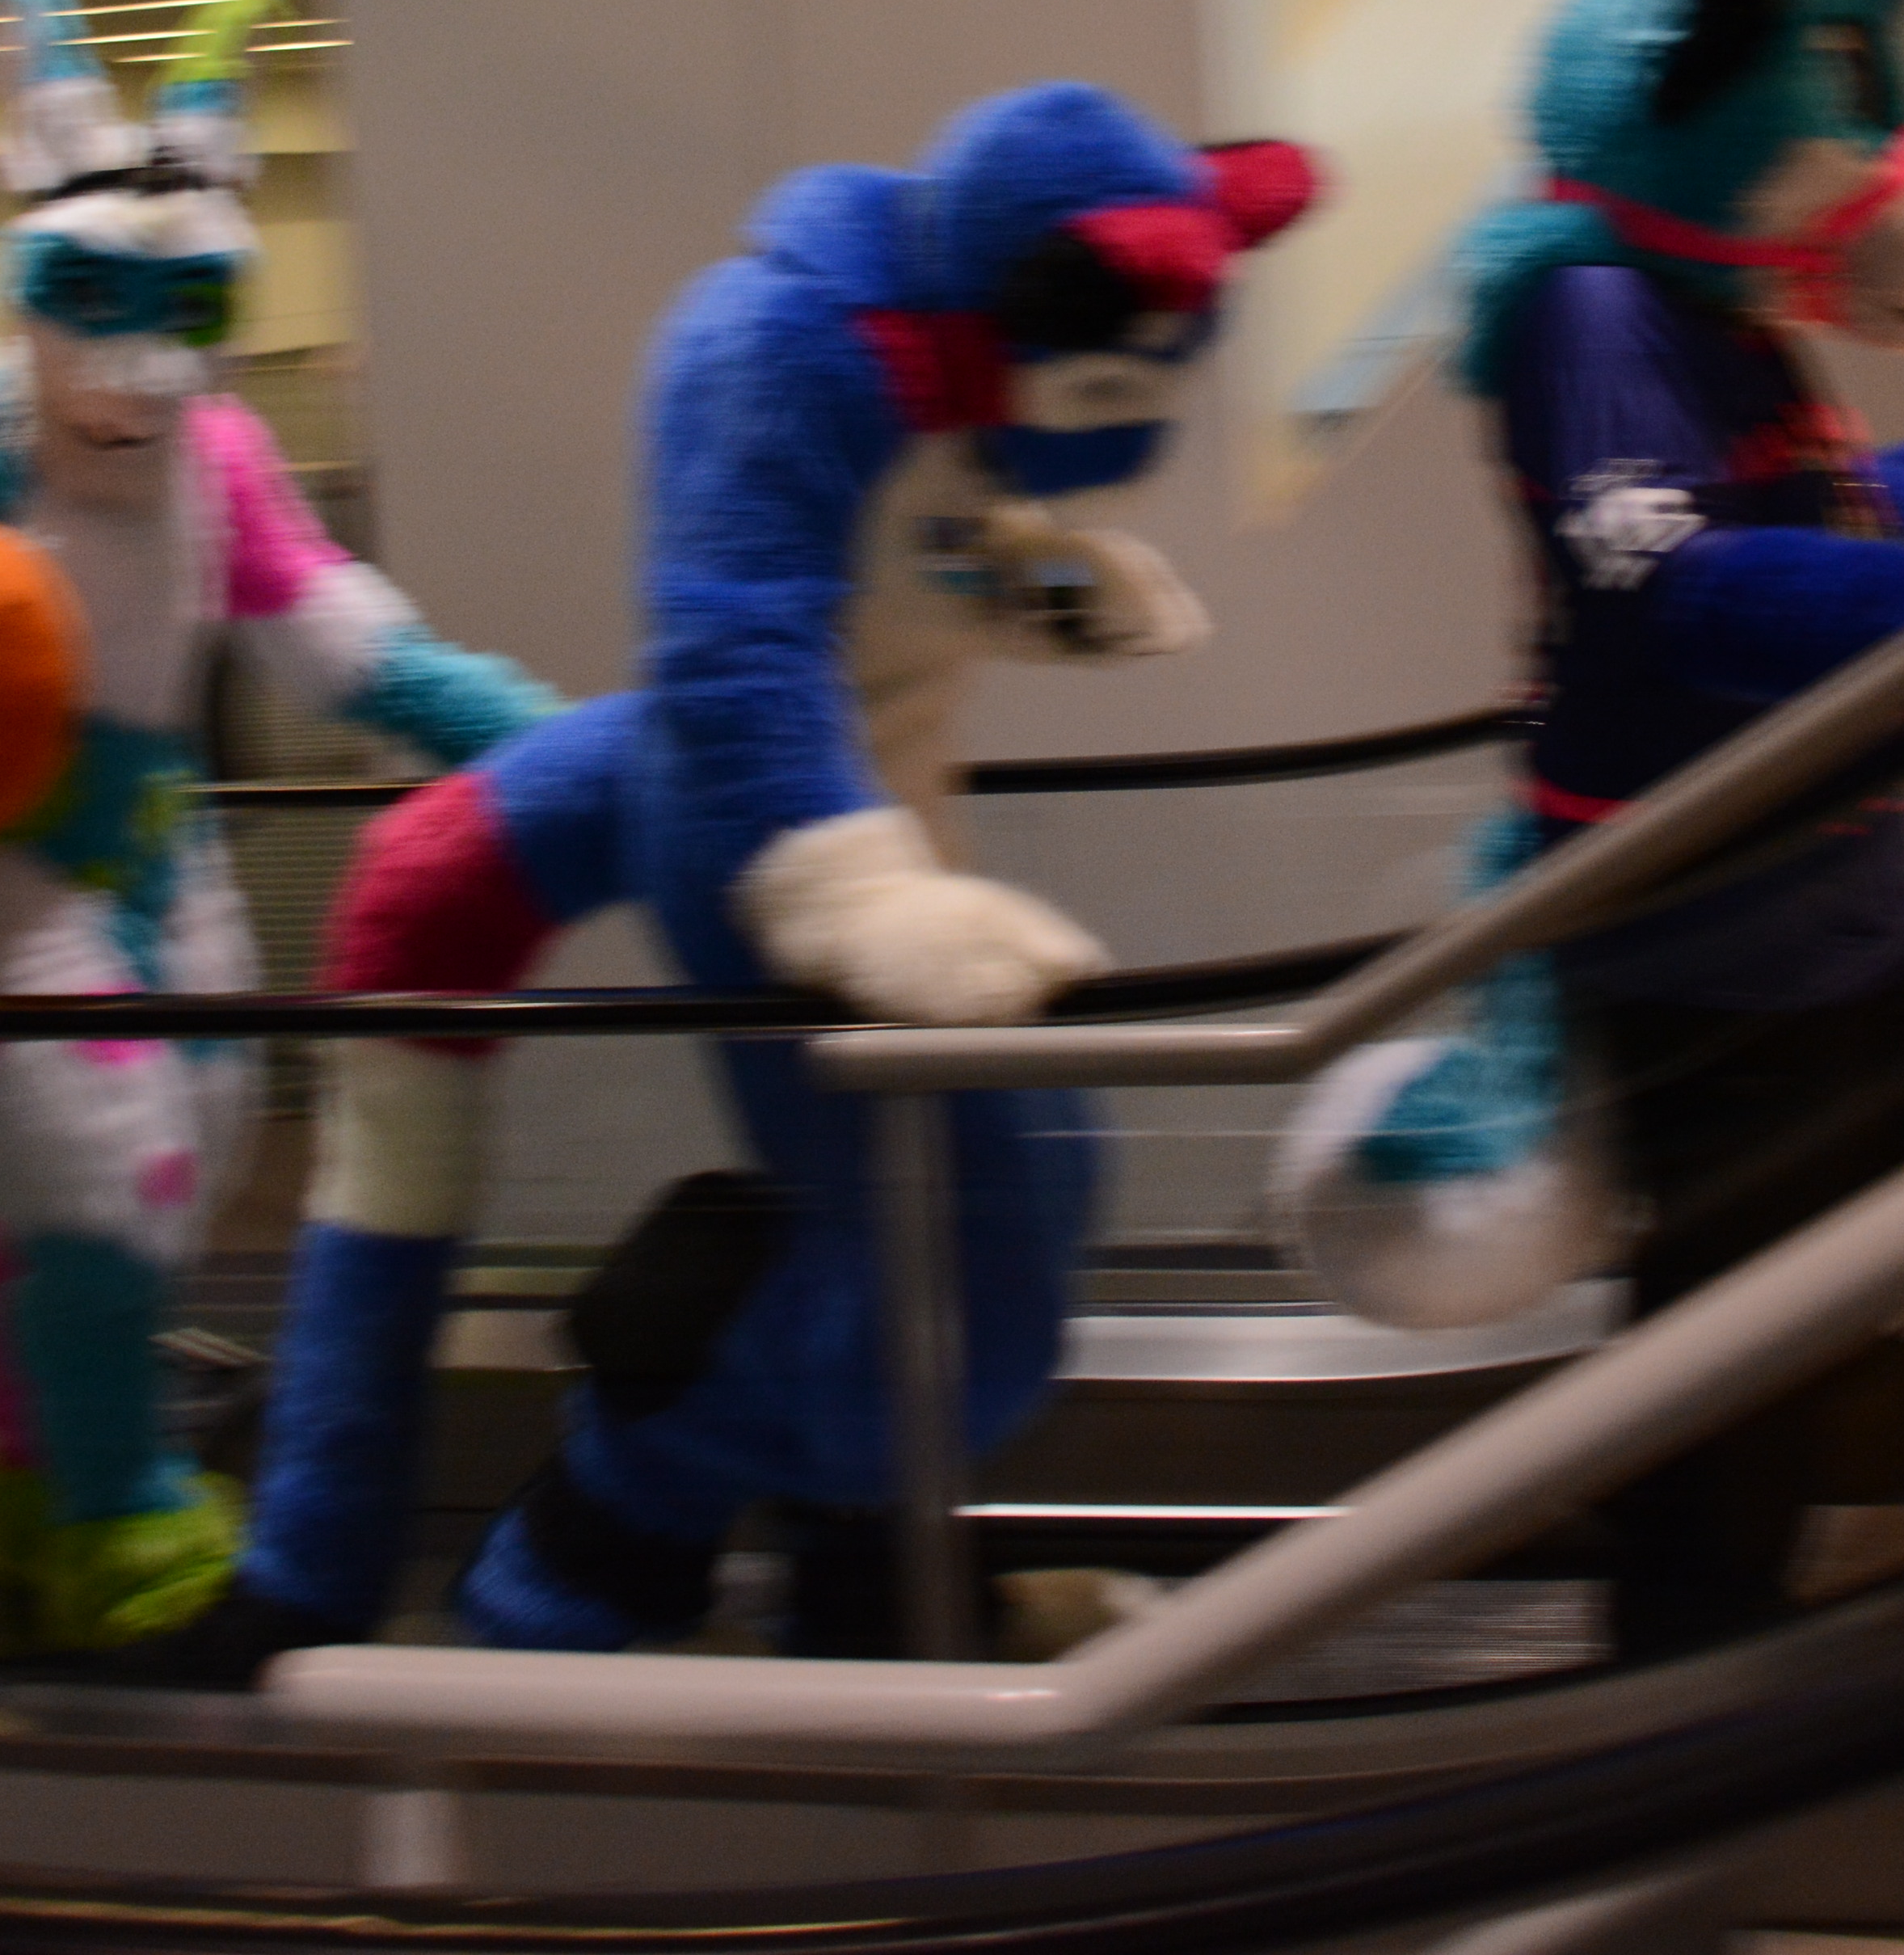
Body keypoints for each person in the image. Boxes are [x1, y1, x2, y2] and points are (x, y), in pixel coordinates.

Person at [130, 85, 1318, 1671]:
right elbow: (738, 648)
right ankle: (603, 1519)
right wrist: (856, 899)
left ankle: (866, 1590)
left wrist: (1038, 583)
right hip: (761, 818)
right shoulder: (783, 345)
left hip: (871, 806)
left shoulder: (954, 349)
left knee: (976, 1201)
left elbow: (908, 556)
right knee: (979, 1254)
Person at [0, 0, 553, 1647]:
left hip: (161, 847)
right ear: (31, 289)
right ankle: (111, 1506)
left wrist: (546, 743)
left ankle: (31, 1461)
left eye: (182, 308)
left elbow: (344, 638)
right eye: (92, 299)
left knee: (184, 1160)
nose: (136, 367)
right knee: (99, 1181)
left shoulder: (222, 456)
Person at [1279, 0, 1904, 1658]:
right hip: (1715, 934)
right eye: (1843, 88)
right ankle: (1677, 1669)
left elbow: (1788, 512)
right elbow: (1670, 579)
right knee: (1734, 1339)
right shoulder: (1596, 310)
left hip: (1843, 898)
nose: (1882, 145)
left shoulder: (1725, 309)